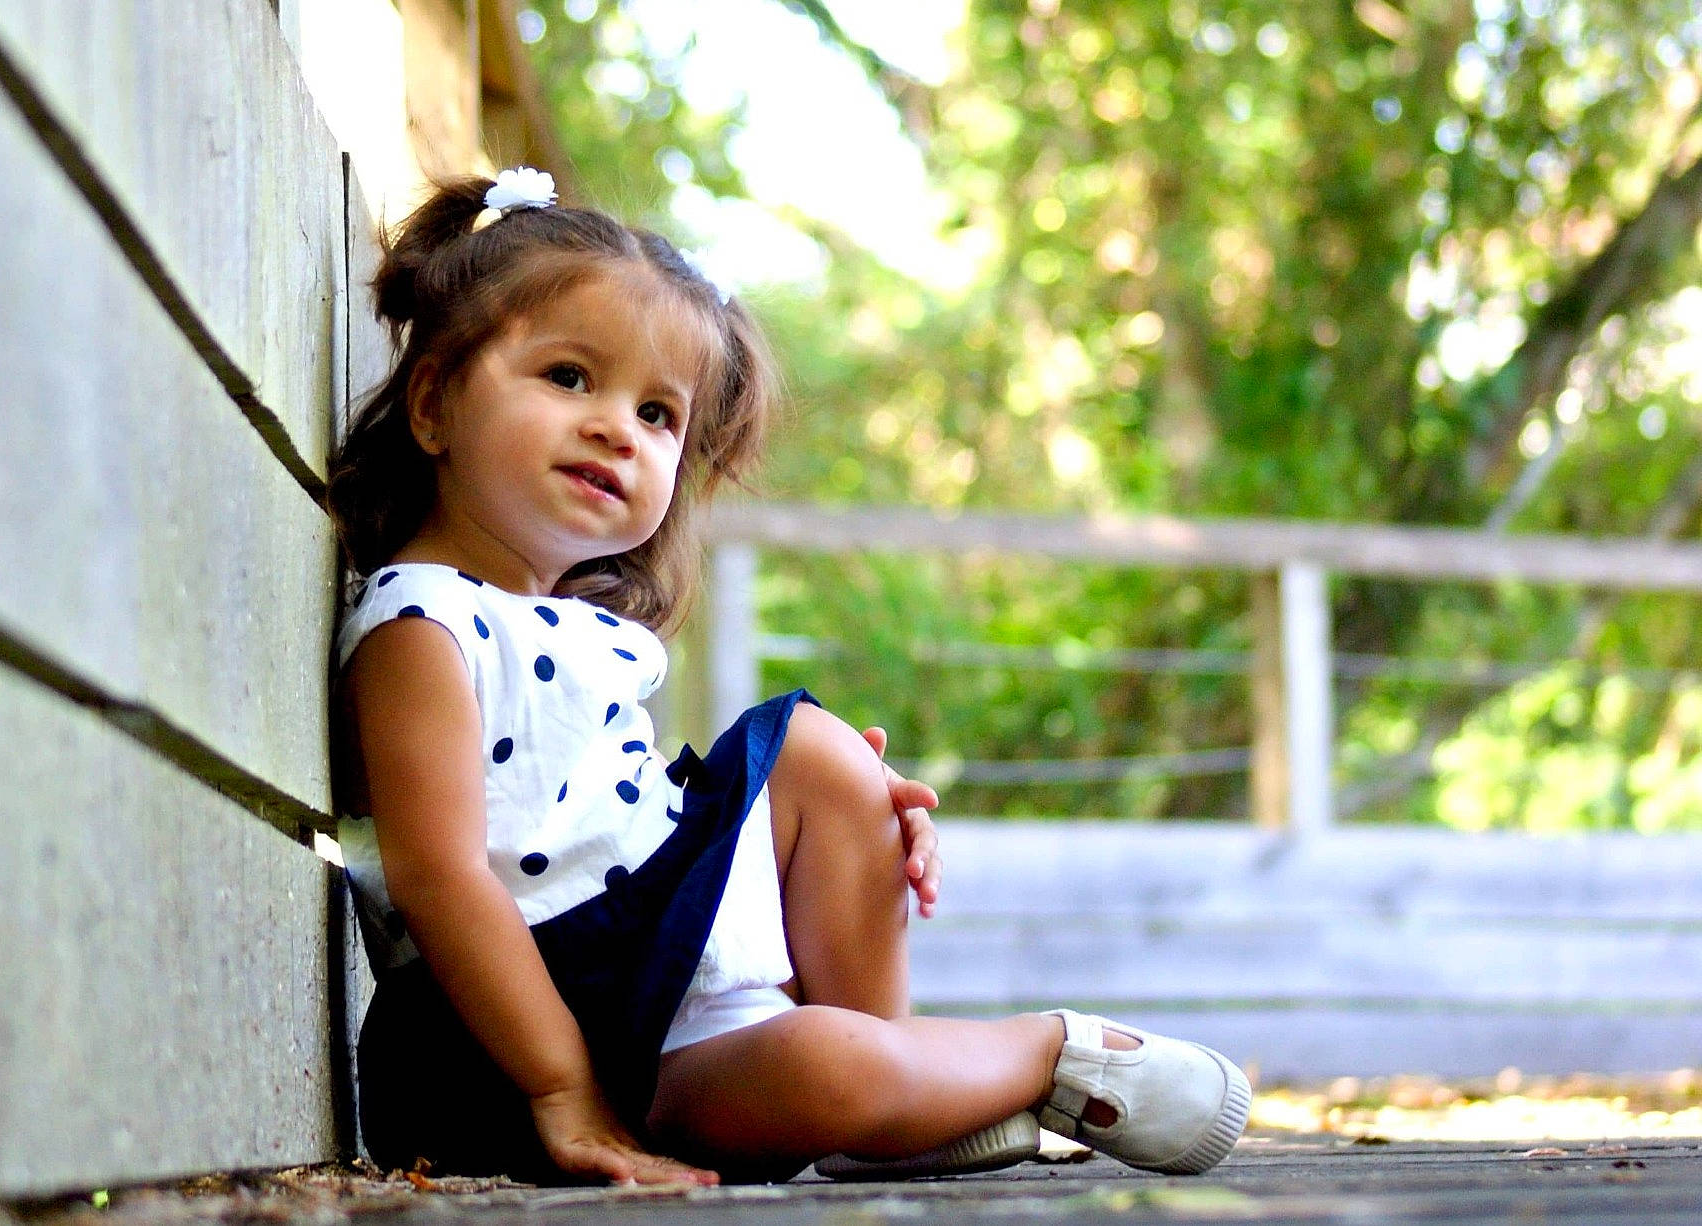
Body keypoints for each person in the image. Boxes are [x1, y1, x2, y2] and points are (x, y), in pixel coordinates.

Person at [327, 168, 1251, 1187]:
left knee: (820, 754)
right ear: (433, 406)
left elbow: (597, 821)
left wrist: (853, 818)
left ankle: (898, 1093)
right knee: (828, 1065)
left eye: (657, 413)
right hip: (527, 1037)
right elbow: (443, 878)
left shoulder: (562, 625)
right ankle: (1048, 1054)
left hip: (649, 963)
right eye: (568, 377)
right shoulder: (422, 625)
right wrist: (561, 1089)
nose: (615, 428)